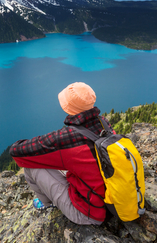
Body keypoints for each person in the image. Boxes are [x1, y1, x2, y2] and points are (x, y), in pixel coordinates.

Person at [9, 82, 113, 225]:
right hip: (112, 200)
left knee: (31, 166)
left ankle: (47, 204)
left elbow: (16, 151)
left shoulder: (68, 138)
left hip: (90, 213)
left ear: (67, 107)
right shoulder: (104, 124)